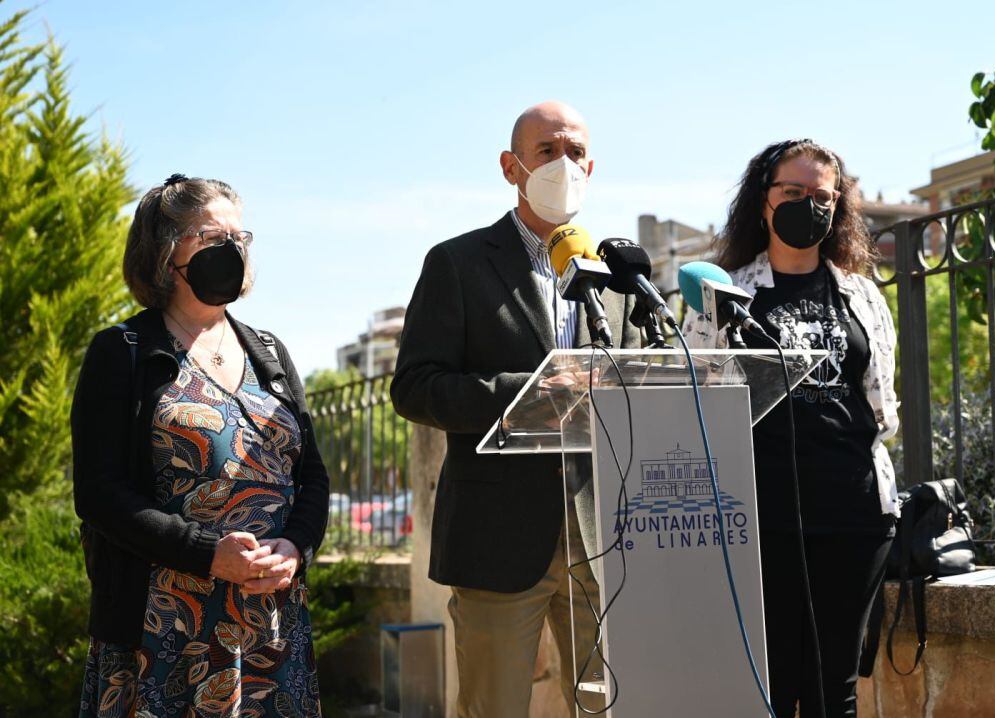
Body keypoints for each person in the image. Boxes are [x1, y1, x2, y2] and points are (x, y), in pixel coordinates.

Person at [391, 101, 640, 717]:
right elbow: (415, 387)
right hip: (498, 536)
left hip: (601, 537)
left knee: (607, 705)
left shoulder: (612, 274)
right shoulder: (458, 263)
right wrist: (531, 389)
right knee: (493, 707)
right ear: (512, 167)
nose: (565, 165)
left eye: (576, 152)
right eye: (547, 151)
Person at [71, 175, 328, 716]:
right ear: (166, 252)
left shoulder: (270, 352)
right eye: (213, 236)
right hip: (164, 633)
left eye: (240, 238)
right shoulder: (123, 351)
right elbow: (98, 494)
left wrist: (297, 548)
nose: (232, 250)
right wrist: (209, 555)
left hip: (270, 626)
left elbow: (313, 477)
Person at [683, 139, 900, 717]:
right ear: (763, 201)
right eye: (794, 192)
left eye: (823, 196)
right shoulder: (721, 296)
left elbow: (881, 402)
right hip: (763, 521)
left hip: (856, 517)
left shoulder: (862, 295)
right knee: (772, 685)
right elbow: (696, 395)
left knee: (836, 688)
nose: (811, 205)